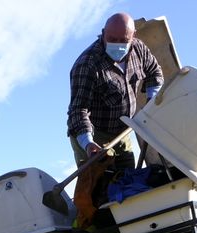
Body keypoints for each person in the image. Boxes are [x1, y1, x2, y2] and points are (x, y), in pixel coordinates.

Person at [66, 13, 163, 170]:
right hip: (93, 134)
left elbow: (154, 72)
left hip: (122, 132)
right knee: (100, 187)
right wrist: (88, 143)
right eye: (112, 39)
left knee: (129, 180)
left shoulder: (139, 49)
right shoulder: (87, 64)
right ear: (103, 33)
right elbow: (78, 110)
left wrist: (152, 103)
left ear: (133, 36)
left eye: (123, 40)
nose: (118, 45)